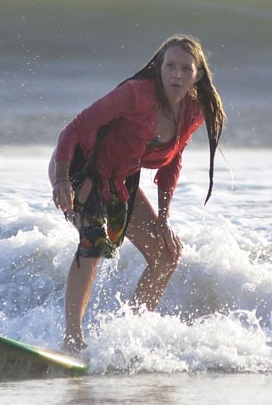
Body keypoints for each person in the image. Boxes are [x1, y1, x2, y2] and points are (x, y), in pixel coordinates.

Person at [48, 34, 226, 353]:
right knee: (93, 240)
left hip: (120, 178)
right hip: (80, 164)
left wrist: (162, 220)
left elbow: (172, 163)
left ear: (197, 75)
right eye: (170, 66)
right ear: (159, 68)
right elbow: (72, 130)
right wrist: (61, 178)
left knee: (167, 253)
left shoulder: (194, 111)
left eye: (186, 69)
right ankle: (72, 339)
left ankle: (130, 333)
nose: (177, 74)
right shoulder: (135, 95)